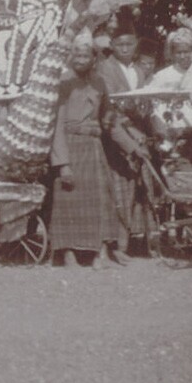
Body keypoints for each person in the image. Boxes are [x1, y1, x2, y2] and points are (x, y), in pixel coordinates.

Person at [49, 37, 122, 269]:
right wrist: (63, 163)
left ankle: (101, 253)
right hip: (71, 145)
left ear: (93, 59)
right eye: (76, 55)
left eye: (85, 56)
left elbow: (108, 112)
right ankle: (68, 254)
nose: (80, 60)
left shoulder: (99, 83)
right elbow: (56, 124)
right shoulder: (63, 83)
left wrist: (108, 117)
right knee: (70, 200)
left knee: (100, 198)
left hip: (94, 146)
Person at [96, 13, 151, 257]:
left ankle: (133, 243)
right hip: (115, 136)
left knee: (138, 190)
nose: (125, 49)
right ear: (112, 45)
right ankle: (116, 246)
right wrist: (131, 141)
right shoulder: (105, 69)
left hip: (138, 134)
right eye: (120, 45)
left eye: (129, 44)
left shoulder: (139, 71)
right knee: (117, 191)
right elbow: (110, 111)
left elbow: (143, 105)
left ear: (136, 44)